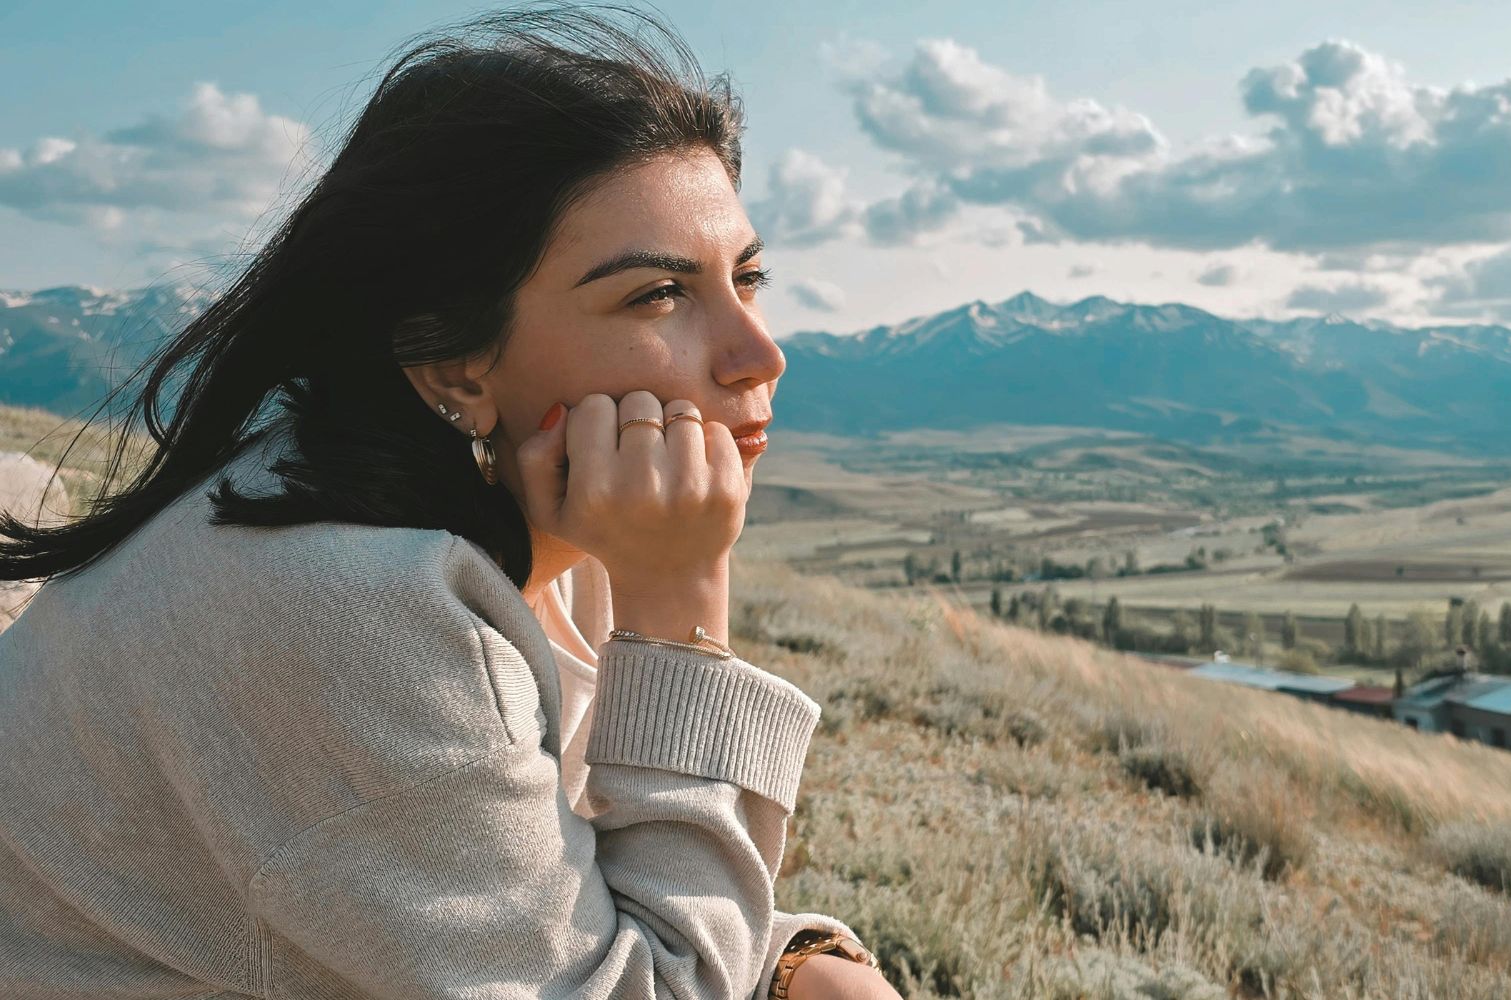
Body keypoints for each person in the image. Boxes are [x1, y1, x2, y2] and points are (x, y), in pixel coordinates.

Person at [0, 5, 899, 998]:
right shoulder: (355, 612)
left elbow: (533, 902)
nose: (758, 354)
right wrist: (682, 609)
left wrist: (800, 963)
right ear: (453, 361)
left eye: (746, 276)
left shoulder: (531, 529)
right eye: (656, 295)